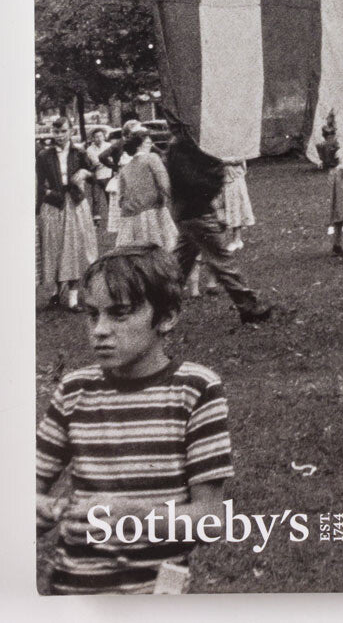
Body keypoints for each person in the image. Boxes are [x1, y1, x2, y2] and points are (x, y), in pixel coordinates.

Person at [36, 245, 234, 594]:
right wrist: (49, 509)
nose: (100, 329)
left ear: (167, 317)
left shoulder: (195, 391)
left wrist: (134, 517)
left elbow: (210, 519)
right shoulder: (74, 390)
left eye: (119, 314)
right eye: (92, 314)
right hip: (71, 593)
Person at [165, 133, 272, 324]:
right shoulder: (184, 146)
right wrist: (216, 172)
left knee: (181, 262)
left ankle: (159, 303)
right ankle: (249, 306)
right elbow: (193, 182)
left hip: (188, 213)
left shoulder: (181, 145)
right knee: (220, 259)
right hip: (195, 213)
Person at [36, 118, 97, 311]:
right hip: (54, 204)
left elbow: (94, 175)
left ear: (71, 131)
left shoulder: (79, 153)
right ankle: (56, 292)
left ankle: (73, 298)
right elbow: (38, 182)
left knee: (75, 248)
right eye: (56, 132)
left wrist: (86, 173)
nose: (60, 136)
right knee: (54, 248)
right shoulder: (44, 155)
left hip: (75, 202)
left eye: (63, 131)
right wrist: (47, 194)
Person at [115, 128, 178, 251]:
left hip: (130, 216)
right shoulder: (152, 158)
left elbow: (120, 199)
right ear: (140, 145)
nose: (151, 144)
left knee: (135, 250)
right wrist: (175, 200)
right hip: (152, 210)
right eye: (148, 142)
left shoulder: (125, 169)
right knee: (163, 247)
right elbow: (164, 184)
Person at [219, 160, 255, 251]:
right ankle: (221, 239)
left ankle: (237, 240)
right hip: (219, 177)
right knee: (219, 209)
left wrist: (224, 160)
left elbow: (239, 158)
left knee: (235, 207)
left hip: (234, 178)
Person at [84, 128, 113, 225]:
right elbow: (93, 163)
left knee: (110, 197)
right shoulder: (90, 149)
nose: (99, 138)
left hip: (108, 174)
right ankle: (96, 218)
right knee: (96, 198)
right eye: (96, 137)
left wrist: (102, 162)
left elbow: (111, 160)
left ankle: (113, 218)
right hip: (96, 176)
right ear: (93, 138)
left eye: (100, 136)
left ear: (104, 137)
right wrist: (103, 161)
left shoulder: (109, 146)